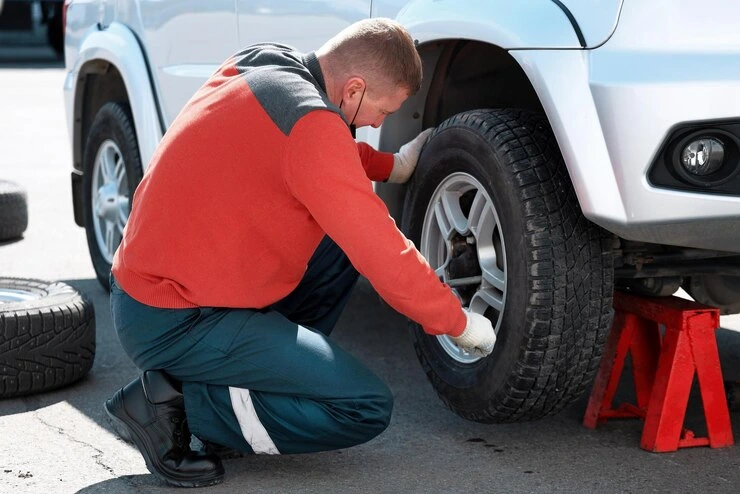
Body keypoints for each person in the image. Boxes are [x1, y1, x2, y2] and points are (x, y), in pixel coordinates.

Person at [104, 17, 496, 487]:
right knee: (365, 406)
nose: (379, 123)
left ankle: (248, 383)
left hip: (149, 289)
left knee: (333, 252)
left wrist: (390, 166)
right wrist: (456, 322)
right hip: (174, 319)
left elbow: (308, 149)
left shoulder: (264, 63)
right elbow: (383, 252)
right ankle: (176, 405)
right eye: (382, 110)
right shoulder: (314, 129)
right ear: (352, 89)